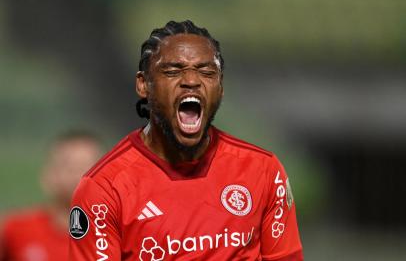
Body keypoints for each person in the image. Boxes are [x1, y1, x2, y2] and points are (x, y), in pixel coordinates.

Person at [69, 20, 303, 260]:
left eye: (207, 72)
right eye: (172, 71)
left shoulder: (263, 171)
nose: (191, 81)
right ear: (143, 85)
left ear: (220, 86)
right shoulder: (104, 189)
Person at [0, 131, 102, 261]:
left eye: (88, 166)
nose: (78, 175)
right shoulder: (14, 230)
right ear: (48, 175)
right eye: (69, 166)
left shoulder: (118, 237)